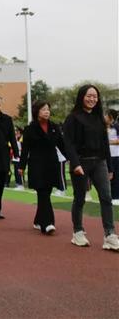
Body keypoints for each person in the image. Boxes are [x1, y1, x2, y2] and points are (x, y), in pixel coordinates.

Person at [63, 85, 118, 251]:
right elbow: (68, 144)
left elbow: (105, 145)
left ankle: (110, 235)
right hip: (81, 163)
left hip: (99, 162)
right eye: (89, 96)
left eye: (95, 96)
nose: (92, 99)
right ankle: (78, 232)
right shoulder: (73, 118)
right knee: (79, 198)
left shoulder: (99, 118)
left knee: (106, 198)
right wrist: (75, 164)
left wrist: (109, 167)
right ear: (82, 97)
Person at [18, 101, 69, 235]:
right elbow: (25, 150)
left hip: (52, 164)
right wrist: (21, 166)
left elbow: (62, 145)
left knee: (45, 193)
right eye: (43, 109)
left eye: (48, 109)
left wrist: (72, 160)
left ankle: (38, 220)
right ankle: (48, 223)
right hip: (37, 165)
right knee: (43, 193)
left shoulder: (54, 127)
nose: (47, 112)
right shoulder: (30, 129)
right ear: (37, 112)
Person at [105, 109, 119, 205]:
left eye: (106, 115)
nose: (104, 117)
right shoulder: (102, 127)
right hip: (105, 156)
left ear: (111, 117)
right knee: (105, 178)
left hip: (116, 155)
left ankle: (116, 197)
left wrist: (108, 142)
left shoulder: (117, 127)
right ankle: (107, 197)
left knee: (116, 177)